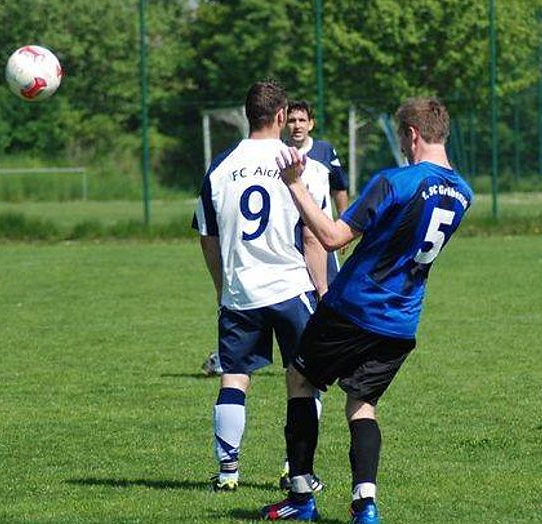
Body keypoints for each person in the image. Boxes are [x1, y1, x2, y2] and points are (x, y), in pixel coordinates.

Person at [260, 97, 473, 522]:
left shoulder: (396, 181)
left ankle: (301, 497)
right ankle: (365, 505)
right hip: (401, 321)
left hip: (354, 308)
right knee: (361, 404)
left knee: (300, 378)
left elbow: (334, 237)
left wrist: (294, 185)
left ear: (411, 135)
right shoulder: (464, 193)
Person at [192, 80, 330, 492]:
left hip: (240, 293)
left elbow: (207, 236)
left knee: (233, 378)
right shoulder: (305, 166)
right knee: (304, 379)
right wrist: (323, 295)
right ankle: (296, 469)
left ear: (247, 114)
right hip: (291, 289)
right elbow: (312, 237)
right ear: (282, 116)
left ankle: (228, 472)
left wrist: (223, 288)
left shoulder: (219, 167)